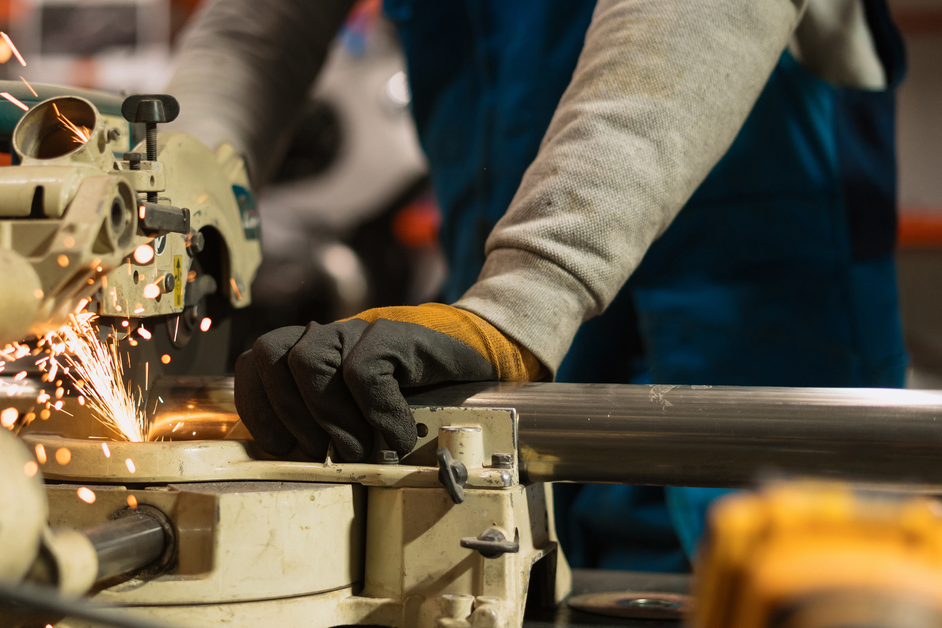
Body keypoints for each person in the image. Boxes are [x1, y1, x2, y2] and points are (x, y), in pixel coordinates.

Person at [164, 0, 908, 571]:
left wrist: (520, 305)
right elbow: (253, 34)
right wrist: (162, 219)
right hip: (496, 355)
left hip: (753, 357)